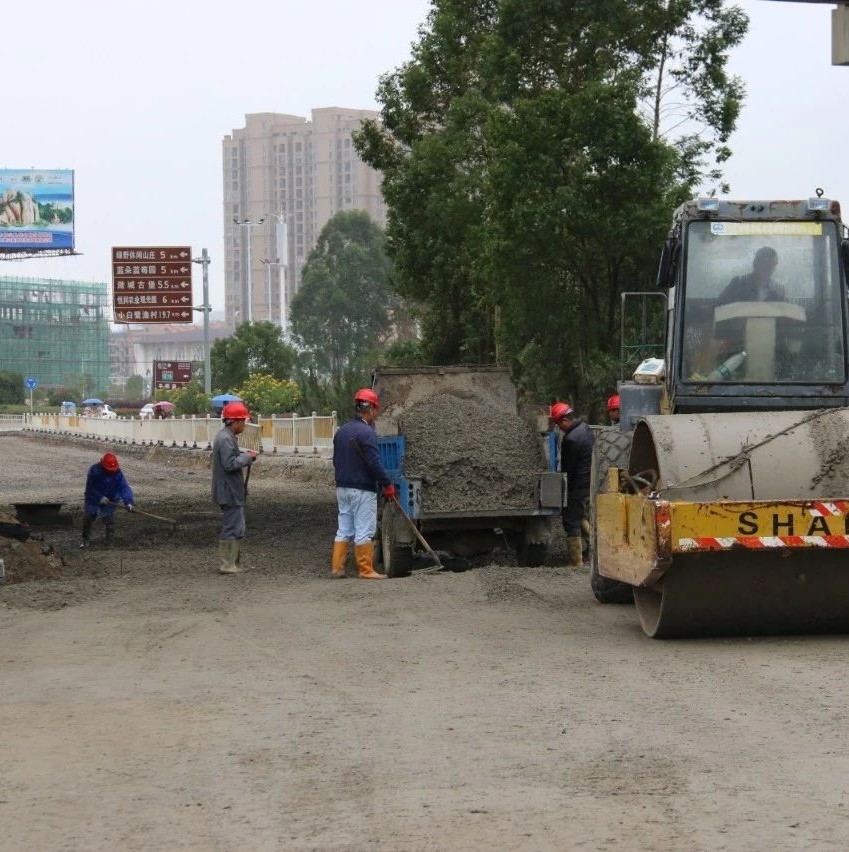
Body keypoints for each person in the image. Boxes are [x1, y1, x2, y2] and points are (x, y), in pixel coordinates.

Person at [331, 388, 394, 579]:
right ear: (371, 409)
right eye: (376, 410)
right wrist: (387, 484)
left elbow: (335, 461)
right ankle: (366, 569)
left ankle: (337, 567)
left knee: (344, 527)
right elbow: (374, 463)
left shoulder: (341, 431)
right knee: (364, 528)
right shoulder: (367, 433)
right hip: (362, 489)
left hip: (342, 487)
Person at [212, 401, 258, 575]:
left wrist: (245, 455)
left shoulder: (225, 436)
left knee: (235, 525)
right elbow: (230, 464)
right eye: (243, 422)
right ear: (235, 421)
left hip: (229, 490)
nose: (244, 425)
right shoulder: (225, 438)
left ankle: (231, 563)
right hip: (229, 491)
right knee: (232, 526)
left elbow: (231, 458)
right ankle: (227, 564)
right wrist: (248, 458)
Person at [551, 402, 595, 567]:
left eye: (558, 424)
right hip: (589, 483)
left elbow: (567, 469)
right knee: (582, 517)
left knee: (571, 522)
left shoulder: (570, 440)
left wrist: (563, 489)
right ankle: (593, 550)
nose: (559, 428)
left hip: (577, 486)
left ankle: (576, 561)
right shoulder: (585, 428)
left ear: (563, 420)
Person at [80, 452, 134, 548]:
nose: (111, 471)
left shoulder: (117, 473)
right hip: (93, 498)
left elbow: (124, 487)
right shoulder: (94, 470)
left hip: (111, 499)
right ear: (103, 465)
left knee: (110, 521)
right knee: (89, 516)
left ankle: (110, 543)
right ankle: (85, 540)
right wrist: (99, 497)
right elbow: (90, 488)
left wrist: (128, 502)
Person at [718, 246, 785, 305]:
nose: (769, 270)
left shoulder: (779, 290)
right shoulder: (737, 284)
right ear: (755, 264)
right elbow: (719, 308)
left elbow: (784, 315)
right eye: (766, 265)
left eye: (772, 266)